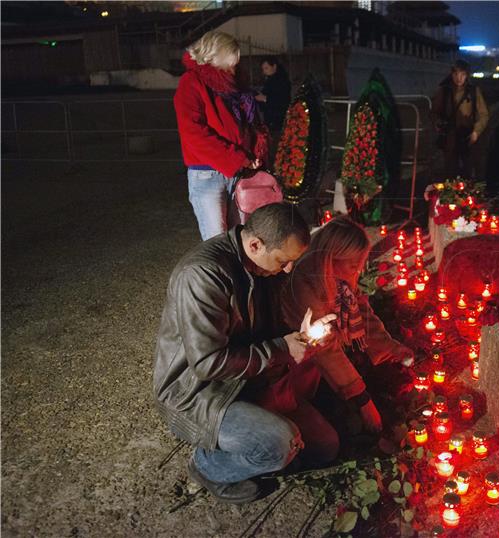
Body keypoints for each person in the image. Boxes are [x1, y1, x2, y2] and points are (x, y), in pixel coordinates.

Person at [152, 203, 337, 504]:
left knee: (325, 446)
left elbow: (268, 332)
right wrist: (281, 348)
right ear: (255, 244)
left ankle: (260, 441)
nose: (289, 269)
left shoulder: (263, 267)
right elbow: (207, 363)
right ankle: (207, 466)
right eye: (284, 261)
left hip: (247, 379)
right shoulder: (203, 275)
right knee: (280, 445)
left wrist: (303, 335)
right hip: (200, 393)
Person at [277, 216, 414, 436]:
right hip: (296, 366)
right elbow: (325, 349)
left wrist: (389, 347)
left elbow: (360, 307)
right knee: (331, 437)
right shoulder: (305, 284)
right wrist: (363, 401)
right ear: (331, 258)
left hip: (322, 355)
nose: (357, 271)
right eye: (352, 265)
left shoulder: (338, 279)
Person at [174, 30, 270, 241]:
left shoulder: (232, 85)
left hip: (237, 172)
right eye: (230, 62)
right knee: (218, 241)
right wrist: (237, 158)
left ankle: (240, 274)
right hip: (208, 175)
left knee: (241, 237)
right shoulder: (191, 83)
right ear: (214, 56)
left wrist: (253, 151)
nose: (234, 68)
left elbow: (246, 123)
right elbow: (194, 133)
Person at [431, 59, 489, 179]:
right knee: (450, 171)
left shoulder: (473, 91)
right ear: (452, 74)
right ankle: (451, 196)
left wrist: (476, 132)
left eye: (462, 74)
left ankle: (467, 195)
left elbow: (483, 114)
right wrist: (437, 123)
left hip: (468, 136)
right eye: (456, 74)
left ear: (466, 75)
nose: (459, 78)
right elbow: (434, 112)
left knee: (469, 170)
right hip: (449, 137)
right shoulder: (444, 91)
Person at [255, 56, 291, 153]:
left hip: (278, 119)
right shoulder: (271, 80)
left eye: (266, 68)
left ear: (274, 66)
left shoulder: (281, 80)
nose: (264, 71)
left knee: (277, 146)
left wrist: (265, 99)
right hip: (271, 119)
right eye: (263, 69)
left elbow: (282, 100)